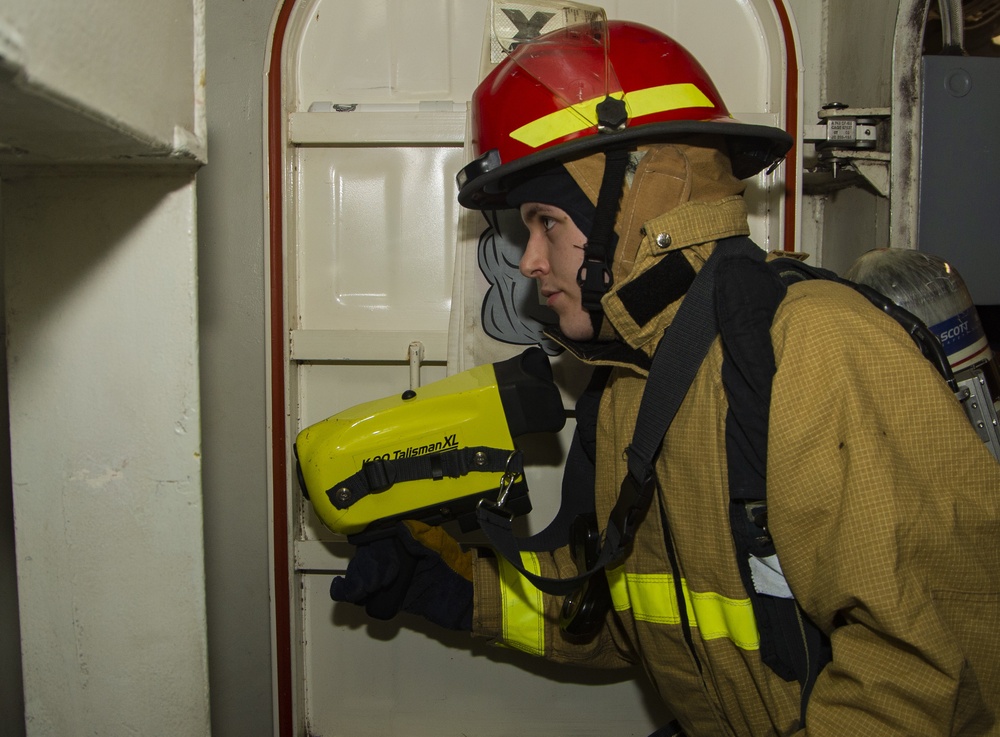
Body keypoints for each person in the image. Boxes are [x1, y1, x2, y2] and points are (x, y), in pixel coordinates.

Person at [331, 14, 1000, 736]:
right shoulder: (630, 385)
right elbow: (636, 614)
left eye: (546, 222)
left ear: (642, 199)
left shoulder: (815, 347)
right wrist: (463, 588)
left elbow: (932, 675)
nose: (528, 260)